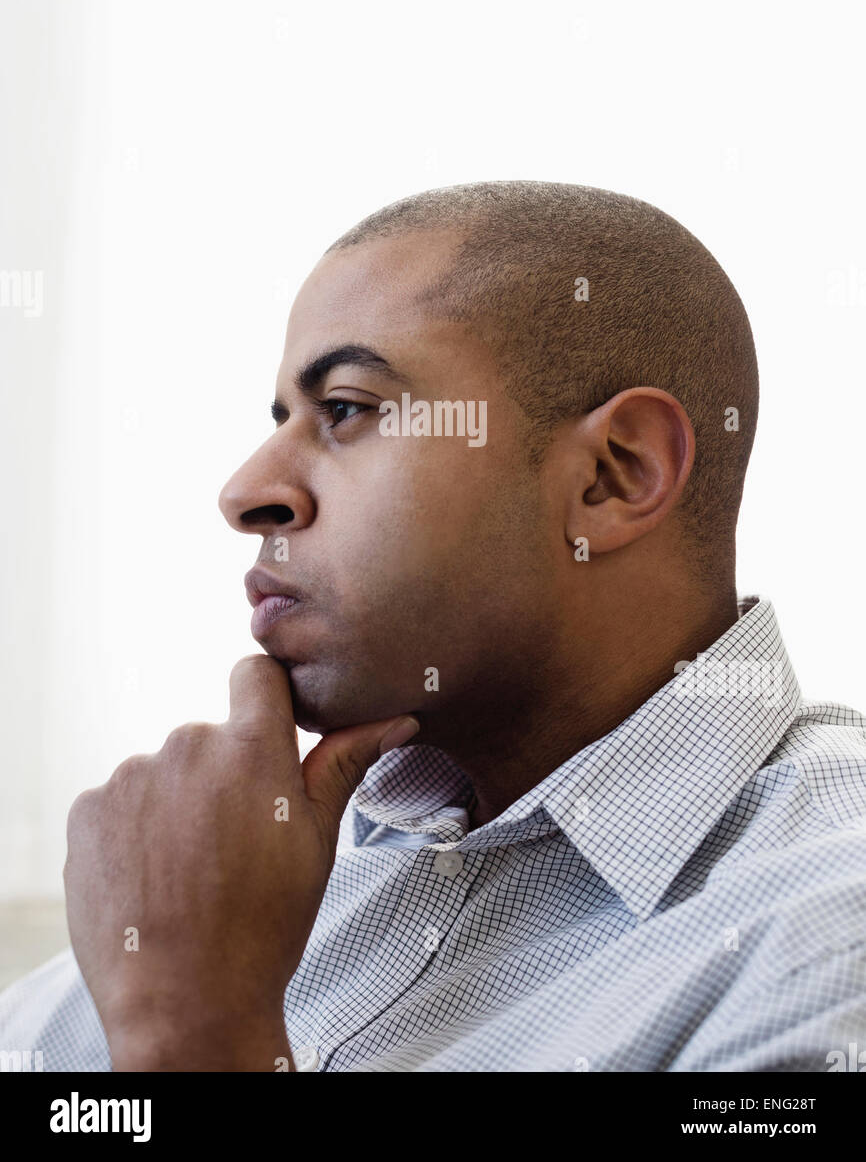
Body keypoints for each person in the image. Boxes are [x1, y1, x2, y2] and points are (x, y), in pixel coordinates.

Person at [2, 180, 865, 1072]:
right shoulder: (263, 873)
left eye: (345, 409)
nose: (246, 492)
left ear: (615, 475)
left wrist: (190, 1033)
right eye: (280, 421)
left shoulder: (829, 932)